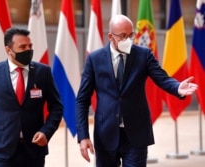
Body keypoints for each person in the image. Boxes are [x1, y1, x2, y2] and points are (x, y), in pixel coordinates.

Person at [75, 14, 198, 167]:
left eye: (131, 35)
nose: (128, 40)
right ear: (110, 36)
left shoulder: (143, 55)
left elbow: (162, 78)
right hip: (105, 133)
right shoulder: (94, 59)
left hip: (136, 134)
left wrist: (177, 87)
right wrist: (83, 136)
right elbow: (82, 100)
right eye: (122, 36)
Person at [0, 28, 63, 167]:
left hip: (34, 151)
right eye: (22, 47)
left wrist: (46, 131)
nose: (28, 50)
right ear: (8, 50)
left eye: (30, 46)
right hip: (2, 151)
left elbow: (56, 108)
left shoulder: (43, 72)